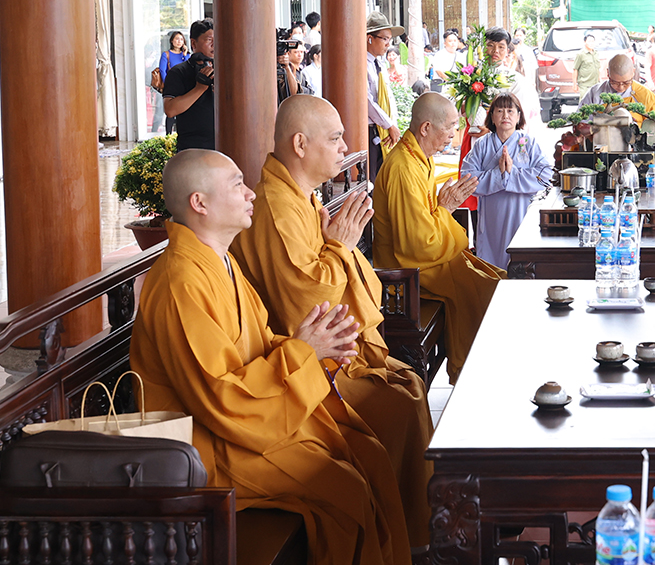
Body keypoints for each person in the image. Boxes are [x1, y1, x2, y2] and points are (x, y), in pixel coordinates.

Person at [130, 149, 411, 565]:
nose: (250, 194)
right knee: (347, 490)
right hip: (213, 446)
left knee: (367, 451)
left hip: (252, 422)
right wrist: (304, 351)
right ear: (199, 203)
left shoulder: (221, 261)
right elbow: (223, 398)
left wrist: (315, 348)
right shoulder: (180, 283)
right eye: (237, 185)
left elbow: (260, 341)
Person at [230, 95, 433, 549]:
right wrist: (340, 246)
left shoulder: (300, 196)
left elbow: (331, 276)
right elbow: (307, 303)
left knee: (407, 384)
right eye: (336, 138)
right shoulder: (277, 207)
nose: (345, 147)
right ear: (300, 144)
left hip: (323, 351)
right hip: (302, 364)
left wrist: (337, 246)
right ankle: (406, 536)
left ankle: (415, 531)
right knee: (398, 405)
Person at [372, 92, 503, 383]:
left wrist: (443, 209)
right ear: (426, 128)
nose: (454, 134)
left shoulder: (419, 158)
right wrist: (445, 210)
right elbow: (418, 245)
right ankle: (471, 373)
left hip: (425, 258)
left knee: (498, 278)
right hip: (406, 270)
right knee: (487, 291)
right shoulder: (404, 168)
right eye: (451, 127)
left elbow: (427, 222)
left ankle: (479, 367)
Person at [459, 93, 552, 268]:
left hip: (520, 213)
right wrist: (498, 174)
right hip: (491, 217)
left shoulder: (528, 143)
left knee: (521, 262)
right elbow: (467, 177)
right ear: (492, 117)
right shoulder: (482, 145)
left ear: (518, 116)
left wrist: (511, 174)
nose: (505, 116)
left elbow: (546, 175)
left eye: (510, 111)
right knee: (492, 264)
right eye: (500, 111)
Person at [579, 54, 655, 181]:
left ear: (633, 72)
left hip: (636, 158)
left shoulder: (646, 96)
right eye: (614, 82)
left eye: (626, 82)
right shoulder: (595, 93)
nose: (620, 87)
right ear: (608, 73)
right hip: (601, 155)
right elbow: (580, 124)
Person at [163, 18, 216, 151]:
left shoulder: (226, 70)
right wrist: (200, 88)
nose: (214, 44)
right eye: (209, 40)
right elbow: (170, 110)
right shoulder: (179, 72)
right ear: (193, 43)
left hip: (225, 147)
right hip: (193, 149)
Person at [366, 12, 402, 181]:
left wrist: (393, 123)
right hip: (371, 129)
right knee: (372, 179)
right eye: (385, 39)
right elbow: (367, 101)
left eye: (390, 40)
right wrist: (389, 124)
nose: (388, 44)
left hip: (385, 129)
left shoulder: (380, 62)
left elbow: (387, 96)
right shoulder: (362, 64)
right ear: (370, 39)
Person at [158, 30, 190, 134]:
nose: (179, 41)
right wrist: (168, 84)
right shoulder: (166, 54)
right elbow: (162, 70)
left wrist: (185, 54)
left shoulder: (186, 55)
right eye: (177, 39)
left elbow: (189, 67)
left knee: (183, 110)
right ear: (172, 41)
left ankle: (182, 133)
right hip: (171, 86)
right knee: (171, 112)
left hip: (184, 86)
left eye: (181, 39)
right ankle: (168, 135)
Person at [277, 27, 312, 104]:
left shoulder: (298, 72)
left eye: (301, 52)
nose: (300, 55)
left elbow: (309, 91)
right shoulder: (285, 68)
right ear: (288, 53)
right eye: (296, 52)